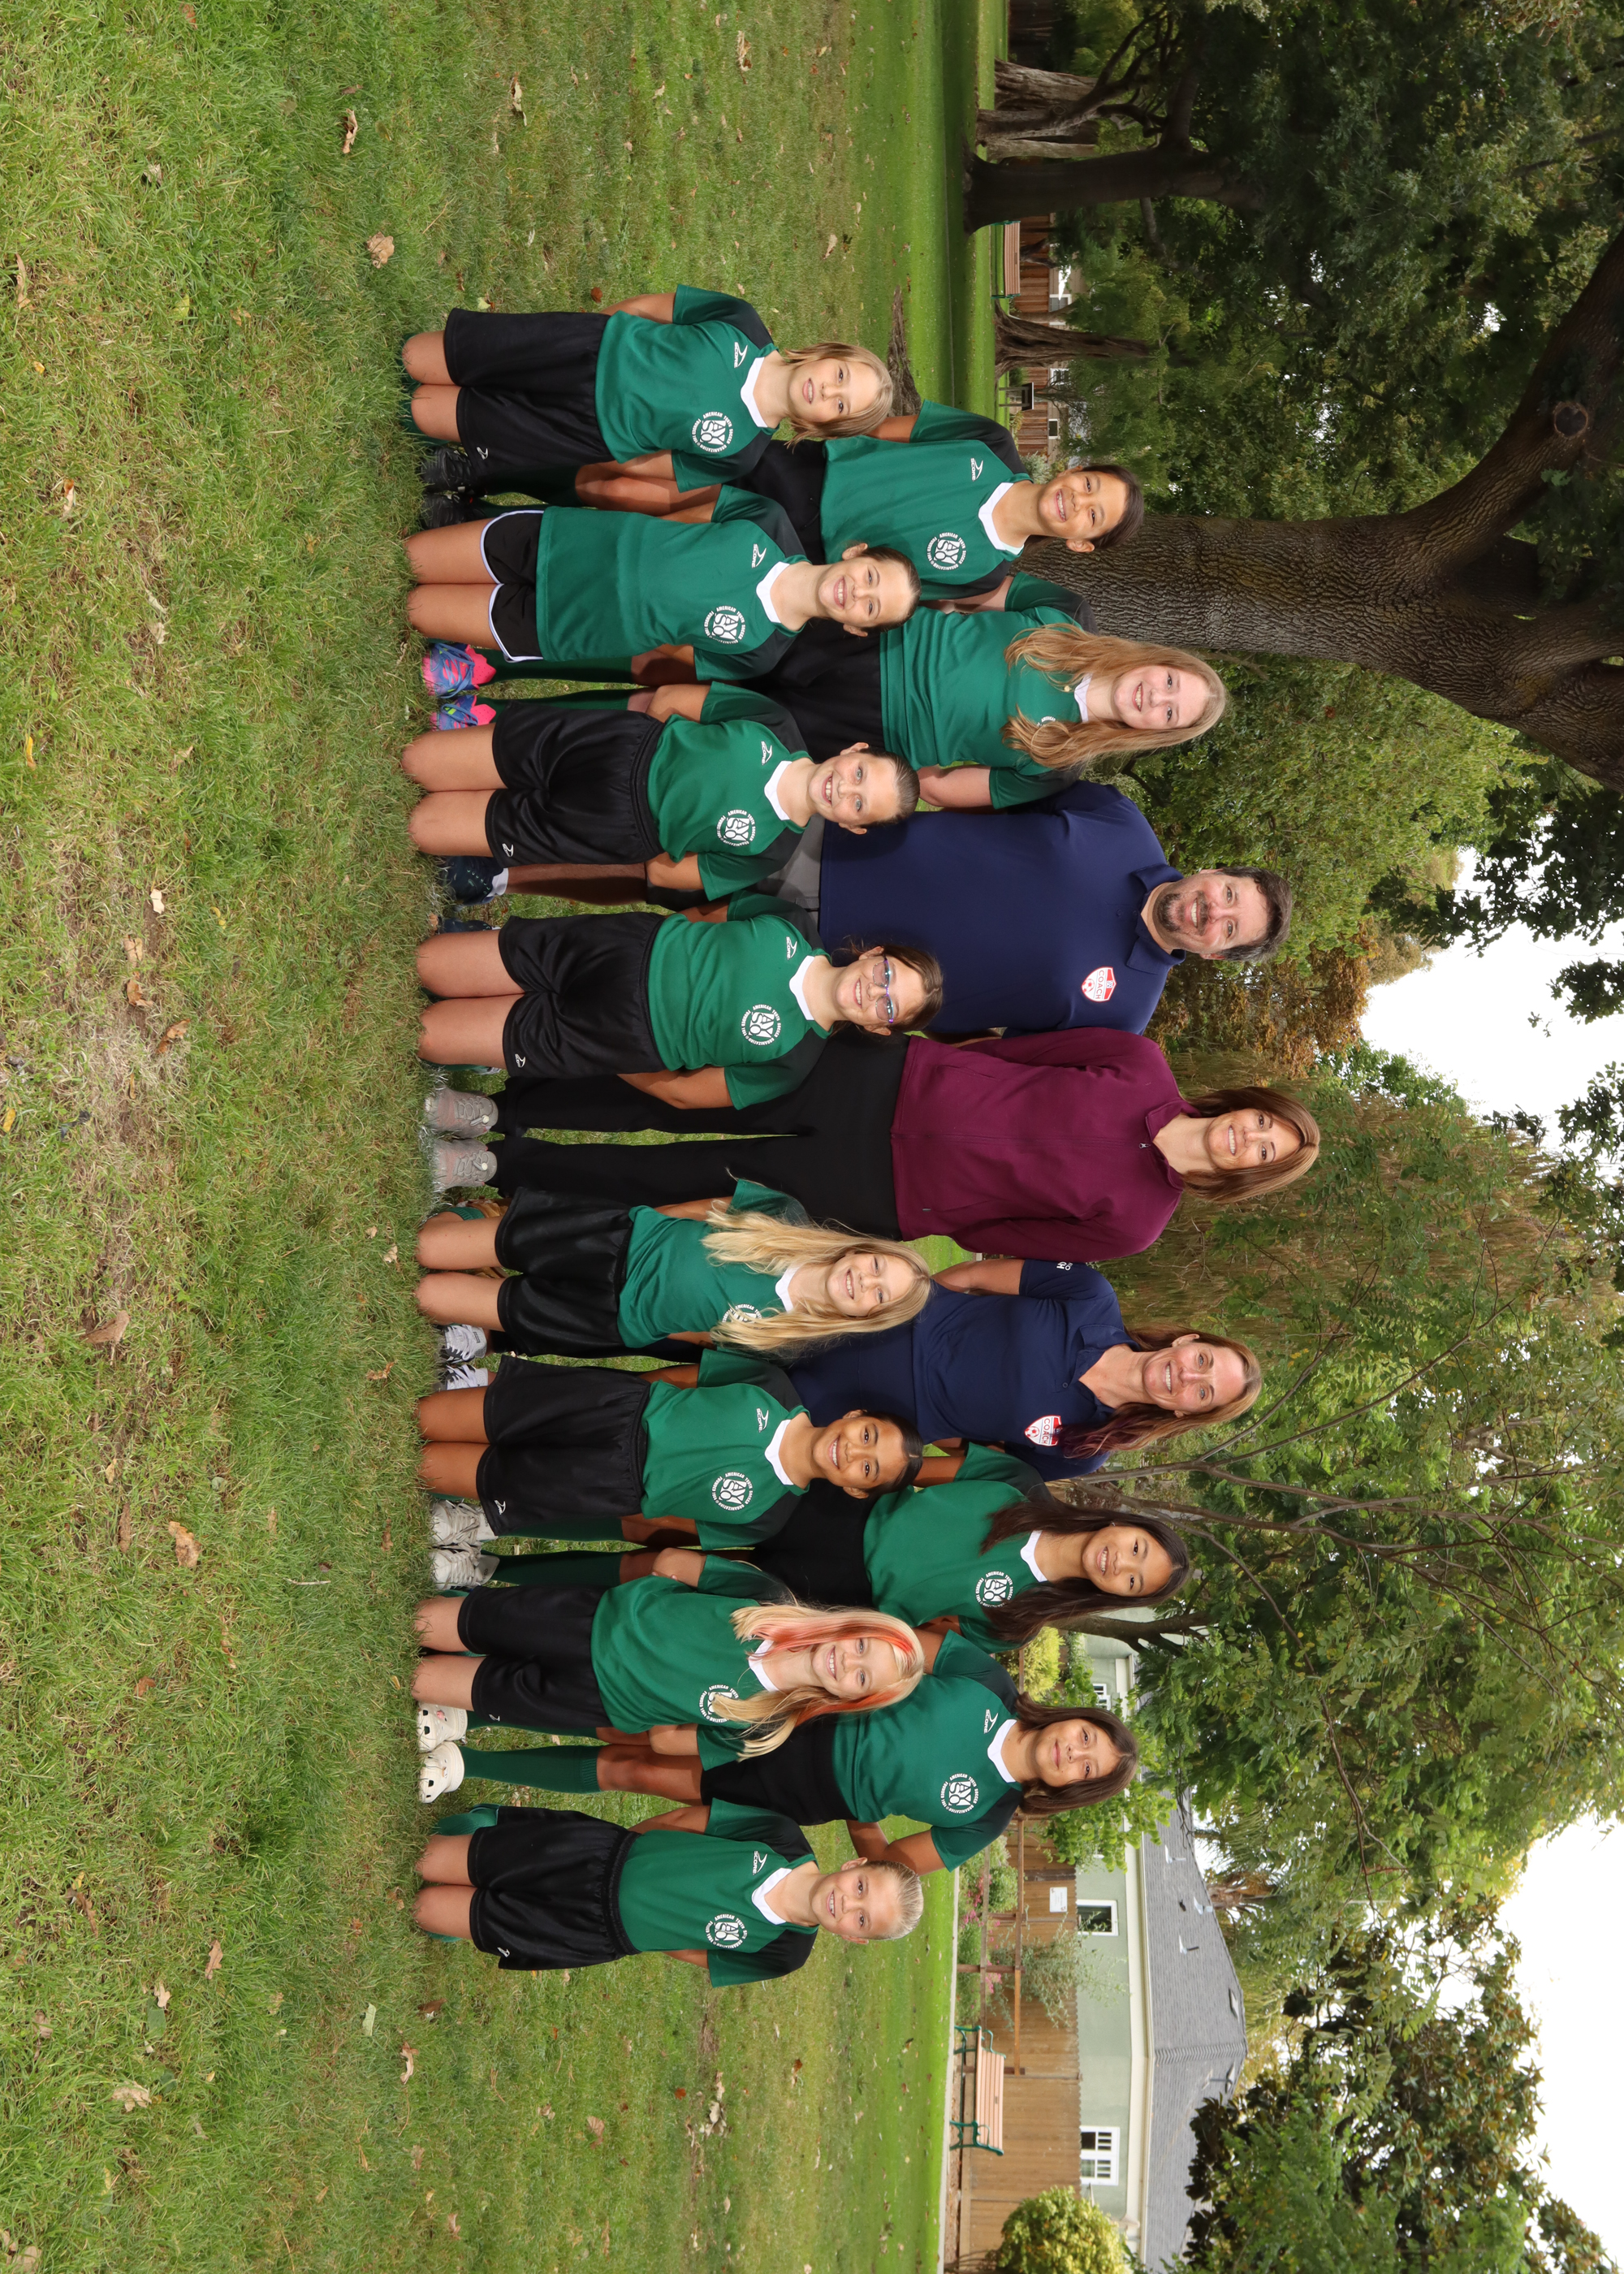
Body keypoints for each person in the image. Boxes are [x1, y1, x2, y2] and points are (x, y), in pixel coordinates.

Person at [443, 1028, 1321, 1263]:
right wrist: (938, 1071)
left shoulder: (1136, 1224)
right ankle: (506, 1104)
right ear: (1247, 1104)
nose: (1248, 1140)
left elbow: (998, 1234)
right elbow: (1016, 1051)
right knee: (685, 1094)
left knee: (673, 1173)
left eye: (1263, 1154)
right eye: (1261, 1123)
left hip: (878, 1188)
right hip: (884, 1081)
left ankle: (507, 1169)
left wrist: (937, 1198)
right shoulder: (1137, 1061)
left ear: (1251, 1177)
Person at [471, 1624, 1138, 1876]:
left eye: (1086, 1769)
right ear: (1074, 1719)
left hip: (804, 1789)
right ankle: (484, 1707)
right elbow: (902, 1644)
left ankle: (475, 1767)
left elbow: (893, 1867)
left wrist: (862, 1817)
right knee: (645, 1726)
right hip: (808, 1706)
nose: (1072, 1754)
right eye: (1086, 1738)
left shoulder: (986, 1817)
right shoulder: (989, 1682)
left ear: (1071, 1789)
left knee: (638, 1771)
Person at [458, 1450, 1192, 1652]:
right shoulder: (1019, 1484)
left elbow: (918, 1639)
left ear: (1118, 1597)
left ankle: (498, 1582)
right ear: (1121, 1522)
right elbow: (916, 1468)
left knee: (659, 1578)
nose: (1121, 1564)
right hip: (838, 1510)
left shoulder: (1019, 1621)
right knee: (657, 1523)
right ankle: (497, 1522)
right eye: (1136, 1548)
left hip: (832, 1594)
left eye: (1133, 1580)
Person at [410, 1554, 925, 1800]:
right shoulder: (769, 1600)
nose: (848, 1663)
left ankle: (439, 1694)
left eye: (862, 1679)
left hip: (590, 1700)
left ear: (851, 1700)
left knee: (440, 1682)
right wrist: (647, 1611)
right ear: (854, 1625)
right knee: (455, 1621)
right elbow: (676, 1565)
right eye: (862, 1647)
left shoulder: (766, 1727)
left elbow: (665, 1741)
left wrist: (645, 1698)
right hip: (588, 1619)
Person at [400, 682, 917, 910]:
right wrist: (637, 751)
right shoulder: (774, 722)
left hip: (618, 827)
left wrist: (641, 824)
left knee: (422, 826)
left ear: (852, 825)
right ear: (854, 749)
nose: (844, 788)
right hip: (615, 747)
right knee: (419, 761)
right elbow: (671, 701)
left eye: (858, 803)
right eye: (859, 774)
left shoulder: (772, 850)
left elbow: (666, 874)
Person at [559, 403, 1142, 601]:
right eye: (1090, 485)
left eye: (1093, 516)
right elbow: (890, 430)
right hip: (805, 469)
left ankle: (548, 534)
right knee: (631, 480)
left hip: (798, 544)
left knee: (656, 527)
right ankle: (535, 466)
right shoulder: (991, 443)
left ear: (1081, 544)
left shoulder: (984, 575)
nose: (1077, 501)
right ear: (1077, 470)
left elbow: (891, 593)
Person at [414, 900, 944, 1108]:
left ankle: (495, 1036)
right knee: (429, 965)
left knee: (429, 1035)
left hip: (624, 1036)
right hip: (624, 950)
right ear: (874, 954)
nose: (875, 992)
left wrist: (615, 1051)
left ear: (879, 1029)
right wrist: (658, 943)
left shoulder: (794, 1061)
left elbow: (686, 1094)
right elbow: (708, 917)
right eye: (887, 975)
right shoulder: (792, 922)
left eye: (889, 1007)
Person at [783, 1256, 1261, 1479]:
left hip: (854, 1417)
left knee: (752, 1404)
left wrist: (907, 1452)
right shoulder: (1091, 1295)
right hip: (864, 1324)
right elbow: (972, 1276)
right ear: (1187, 1341)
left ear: (1185, 1413)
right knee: (747, 1326)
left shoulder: (1087, 1449)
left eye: (1203, 1393)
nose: (1189, 1376)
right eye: (1203, 1361)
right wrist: (909, 1313)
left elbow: (977, 1463)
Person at [402, 292, 892, 504]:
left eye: (840, 405)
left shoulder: (743, 452)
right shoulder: (742, 322)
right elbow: (645, 309)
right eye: (841, 375)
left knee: (421, 409)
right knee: (414, 358)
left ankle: (456, 440)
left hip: (585, 430)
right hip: (582, 350)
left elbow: (651, 465)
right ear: (827, 354)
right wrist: (584, 333)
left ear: (823, 426)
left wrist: (603, 441)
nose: (829, 389)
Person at [415, 1345, 923, 1543]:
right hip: (617, 1408)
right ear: (855, 1416)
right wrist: (623, 1395)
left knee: (434, 1465)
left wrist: (622, 1494)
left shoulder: (768, 1518)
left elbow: (673, 1521)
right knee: (434, 1417)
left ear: (856, 1490)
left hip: (615, 1483)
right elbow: (683, 1378)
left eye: (868, 1469)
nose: (854, 1452)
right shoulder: (772, 1386)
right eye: (868, 1436)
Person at [404, 495, 918, 685]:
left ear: (857, 629)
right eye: (871, 577)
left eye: (871, 609)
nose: (857, 594)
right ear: (857, 553)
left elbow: (673, 649)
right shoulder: (769, 520)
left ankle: (461, 649)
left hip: (568, 625)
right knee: (412, 558)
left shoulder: (762, 653)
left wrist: (634, 614)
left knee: (416, 608)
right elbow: (681, 520)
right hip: (570, 543)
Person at [412, 1178, 932, 1360]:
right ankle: (475, 1221)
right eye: (876, 1267)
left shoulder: (790, 1339)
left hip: (611, 1318)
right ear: (862, 1249)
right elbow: (700, 1209)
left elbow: (702, 1336)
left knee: (428, 1297)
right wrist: (642, 1224)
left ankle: (481, 1286)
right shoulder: (786, 1217)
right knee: (428, 1247)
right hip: (616, 1241)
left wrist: (645, 1323)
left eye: (879, 1295)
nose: (866, 1281)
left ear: (868, 1318)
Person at [412, 1796, 921, 1980]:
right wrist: (620, 1848)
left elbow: (700, 1954)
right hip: (599, 1857)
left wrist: (650, 1926)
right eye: (861, 1886)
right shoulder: (781, 1837)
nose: (847, 1903)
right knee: (431, 1857)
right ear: (856, 1862)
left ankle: (476, 1913)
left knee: (428, 1909)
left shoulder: (786, 1953)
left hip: (599, 1933)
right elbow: (683, 1821)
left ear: (854, 1937)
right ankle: (487, 1831)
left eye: (860, 1919)